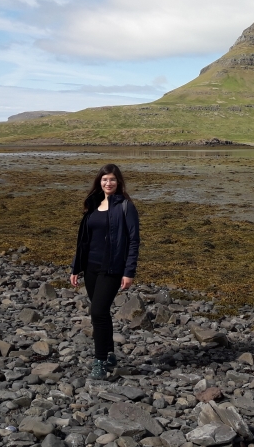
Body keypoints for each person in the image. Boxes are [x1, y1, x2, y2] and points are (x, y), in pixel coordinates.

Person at [70, 163, 140, 380]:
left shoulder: (125, 206)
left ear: (118, 182)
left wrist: (129, 272)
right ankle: (109, 354)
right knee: (101, 313)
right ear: (99, 182)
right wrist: (76, 267)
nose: (108, 183)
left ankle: (99, 361)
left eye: (112, 179)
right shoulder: (92, 205)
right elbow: (84, 240)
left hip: (112, 267)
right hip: (90, 267)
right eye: (104, 179)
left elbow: (134, 241)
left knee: (98, 312)